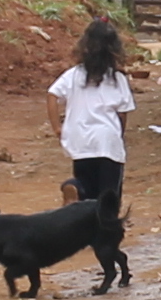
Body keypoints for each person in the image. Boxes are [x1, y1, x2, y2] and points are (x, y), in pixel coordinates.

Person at [50, 18, 140, 237]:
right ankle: (106, 230)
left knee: (86, 184)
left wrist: (57, 127)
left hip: (79, 138)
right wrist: (119, 133)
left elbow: (52, 95)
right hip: (107, 140)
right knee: (108, 191)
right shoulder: (117, 79)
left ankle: (74, 188)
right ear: (114, 49)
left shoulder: (73, 75)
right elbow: (122, 112)